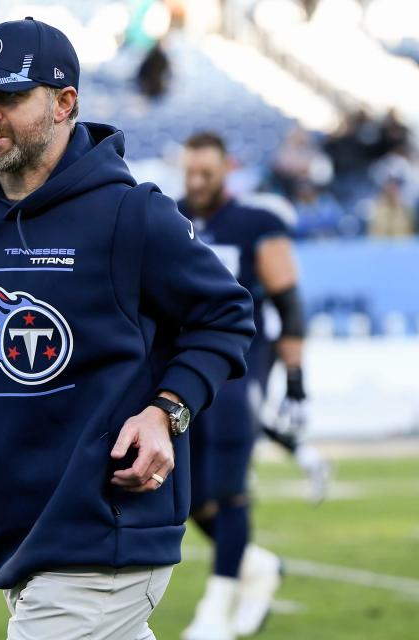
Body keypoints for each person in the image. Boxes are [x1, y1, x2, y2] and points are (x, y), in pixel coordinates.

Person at [0, 18, 256, 640]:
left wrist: (166, 412)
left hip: (106, 526)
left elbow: (226, 315)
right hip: (13, 531)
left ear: (64, 102)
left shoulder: (131, 213)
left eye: (9, 96)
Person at [178, 132, 330, 639]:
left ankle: (215, 613)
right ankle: (255, 566)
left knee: (229, 485)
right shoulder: (169, 216)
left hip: (241, 365)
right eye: (191, 173)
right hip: (184, 368)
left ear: (228, 169)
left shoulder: (255, 223)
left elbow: (288, 305)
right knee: (189, 496)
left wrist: (295, 378)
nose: (197, 183)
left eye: (207, 173)